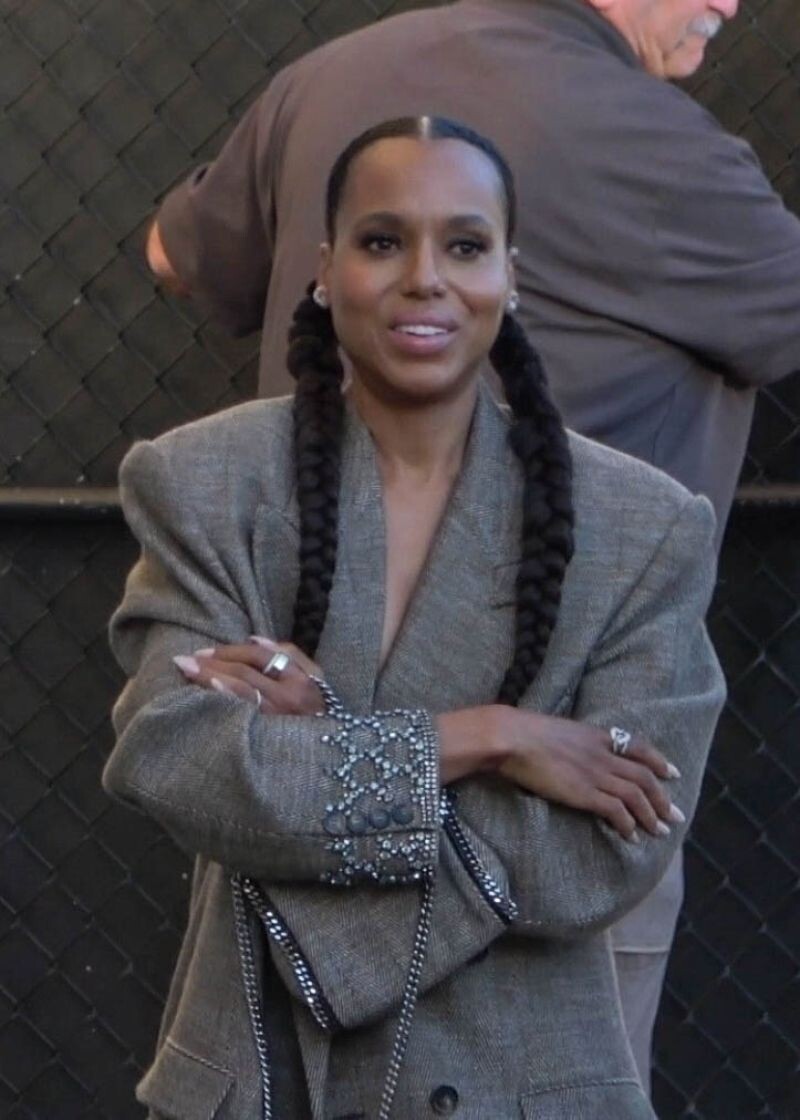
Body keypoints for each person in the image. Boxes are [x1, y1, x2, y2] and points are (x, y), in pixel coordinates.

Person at [144, 0, 800, 1083]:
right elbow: (181, 756)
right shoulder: (664, 148)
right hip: (536, 828)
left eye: (466, 247)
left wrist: (327, 787)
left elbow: (173, 252)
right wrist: (494, 740)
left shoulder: (326, 77)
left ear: (510, 274)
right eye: (380, 242)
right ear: (328, 269)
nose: (729, 2)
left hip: (318, 827)